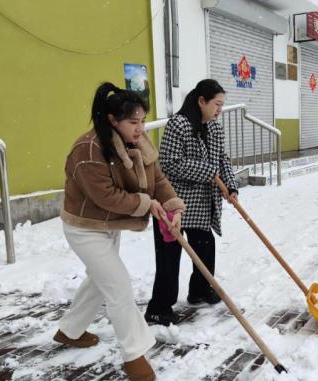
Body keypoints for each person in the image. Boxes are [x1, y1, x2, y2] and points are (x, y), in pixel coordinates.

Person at [55, 82, 185, 381]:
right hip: (84, 228)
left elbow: (158, 177)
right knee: (118, 286)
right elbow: (106, 196)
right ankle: (134, 356)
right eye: (133, 122)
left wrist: (171, 205)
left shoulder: (137, 142)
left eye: (142, 121)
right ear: (113, 121)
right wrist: (146, 203)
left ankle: (69, 331)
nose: (140, 129)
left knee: (101, 281)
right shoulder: (87, 150)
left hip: (109, 224)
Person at [145, 79, 238, 326]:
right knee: (169, 257)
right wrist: (207, 171)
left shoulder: (215, 129)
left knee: (205, 247)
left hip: (202, 204)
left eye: (222, 105)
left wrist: (230, 186)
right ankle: (159, 308)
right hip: (172, 203)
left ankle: (199, 291)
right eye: (216, 104)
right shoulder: (180, 125)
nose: (219, 109)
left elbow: (222, 160)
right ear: (201, 101)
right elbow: (169, 163)